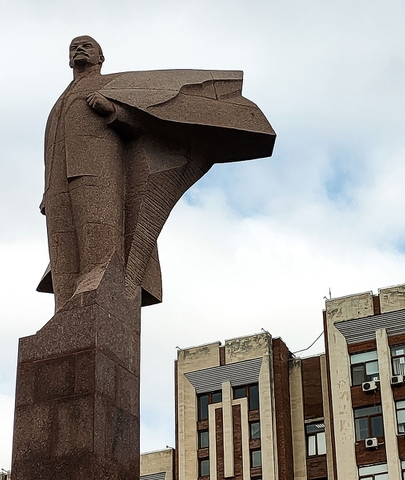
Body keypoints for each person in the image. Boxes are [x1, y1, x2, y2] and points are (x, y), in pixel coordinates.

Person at [40, 36, 276, 312]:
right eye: (74, 48)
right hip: (57, 183)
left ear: (100, 58)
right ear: (69, 59)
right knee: (62, 254)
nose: (79, 49)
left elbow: (144, 125)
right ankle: (64, 310)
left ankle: (100, 307)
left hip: (97, 172)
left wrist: (113, 111)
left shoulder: (113, 85)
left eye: (86, 46)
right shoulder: (60, 100)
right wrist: (47, 189)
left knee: (99, 241)